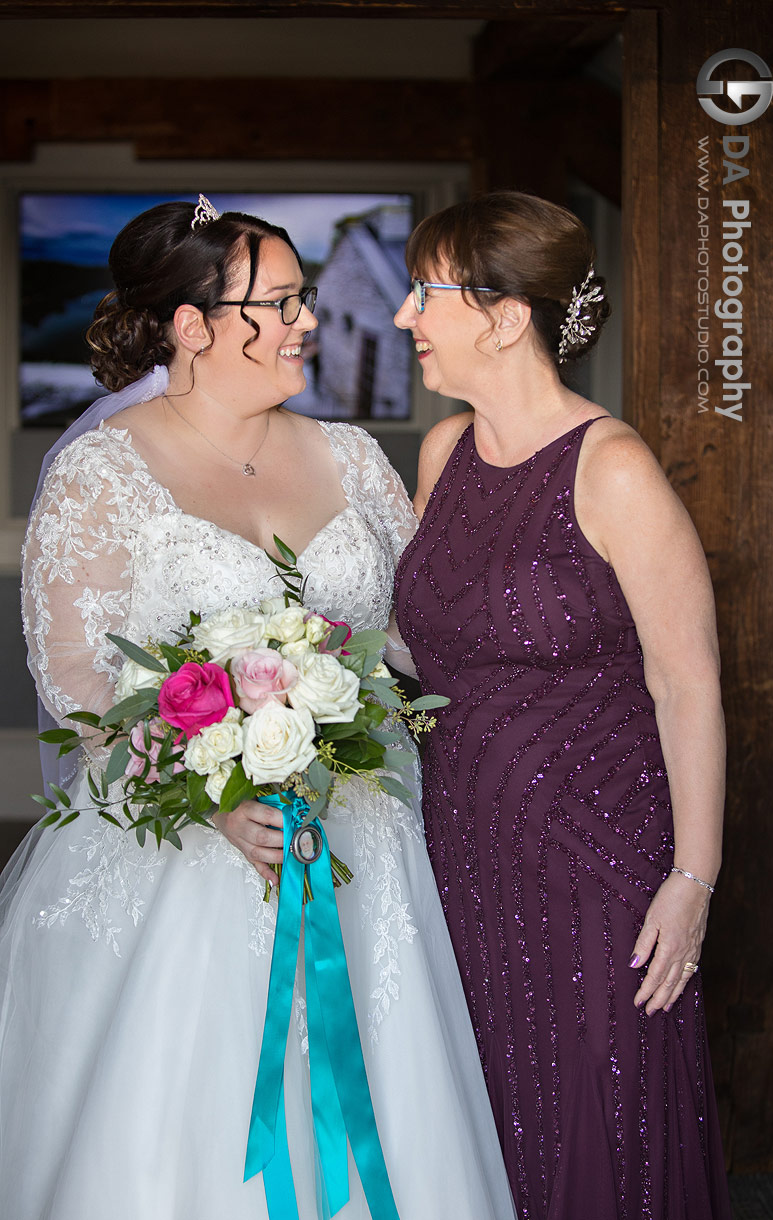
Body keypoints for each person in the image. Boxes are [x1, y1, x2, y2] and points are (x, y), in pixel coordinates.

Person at [0, 197, 517, 1220]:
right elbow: (80, 690)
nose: (307, 321)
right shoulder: (101, 475)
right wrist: (208, 795)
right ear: (191, 325)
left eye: (305, 296)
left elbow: (424, 636)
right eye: (277, 302)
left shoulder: (354, 456)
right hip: (180, 854)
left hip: (364, 844)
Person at [394, 192, 731, 1220]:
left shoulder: (612, 468)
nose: (406, 316)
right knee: (481, 1105)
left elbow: (689, 685)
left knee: (591, 1111)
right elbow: (434, 643)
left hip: (592, 861)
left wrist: (693, 876)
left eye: (426, 291)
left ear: (503, 317)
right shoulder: (443, 452)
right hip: (460, 847)